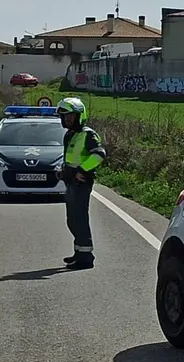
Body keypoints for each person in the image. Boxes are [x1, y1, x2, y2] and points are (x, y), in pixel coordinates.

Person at [56, 97, 106, 269]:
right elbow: (70, 158)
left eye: (70, 116)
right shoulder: (70, 135)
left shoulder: (88, 134)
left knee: (79, 219)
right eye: (64, 117)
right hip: (70, 182)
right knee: (72, 220)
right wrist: (63, 171)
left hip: (81, 183)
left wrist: (82, 171)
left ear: (79, 116)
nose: (67, 120)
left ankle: (86, 258)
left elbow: (99, 154)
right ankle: (79, 253)